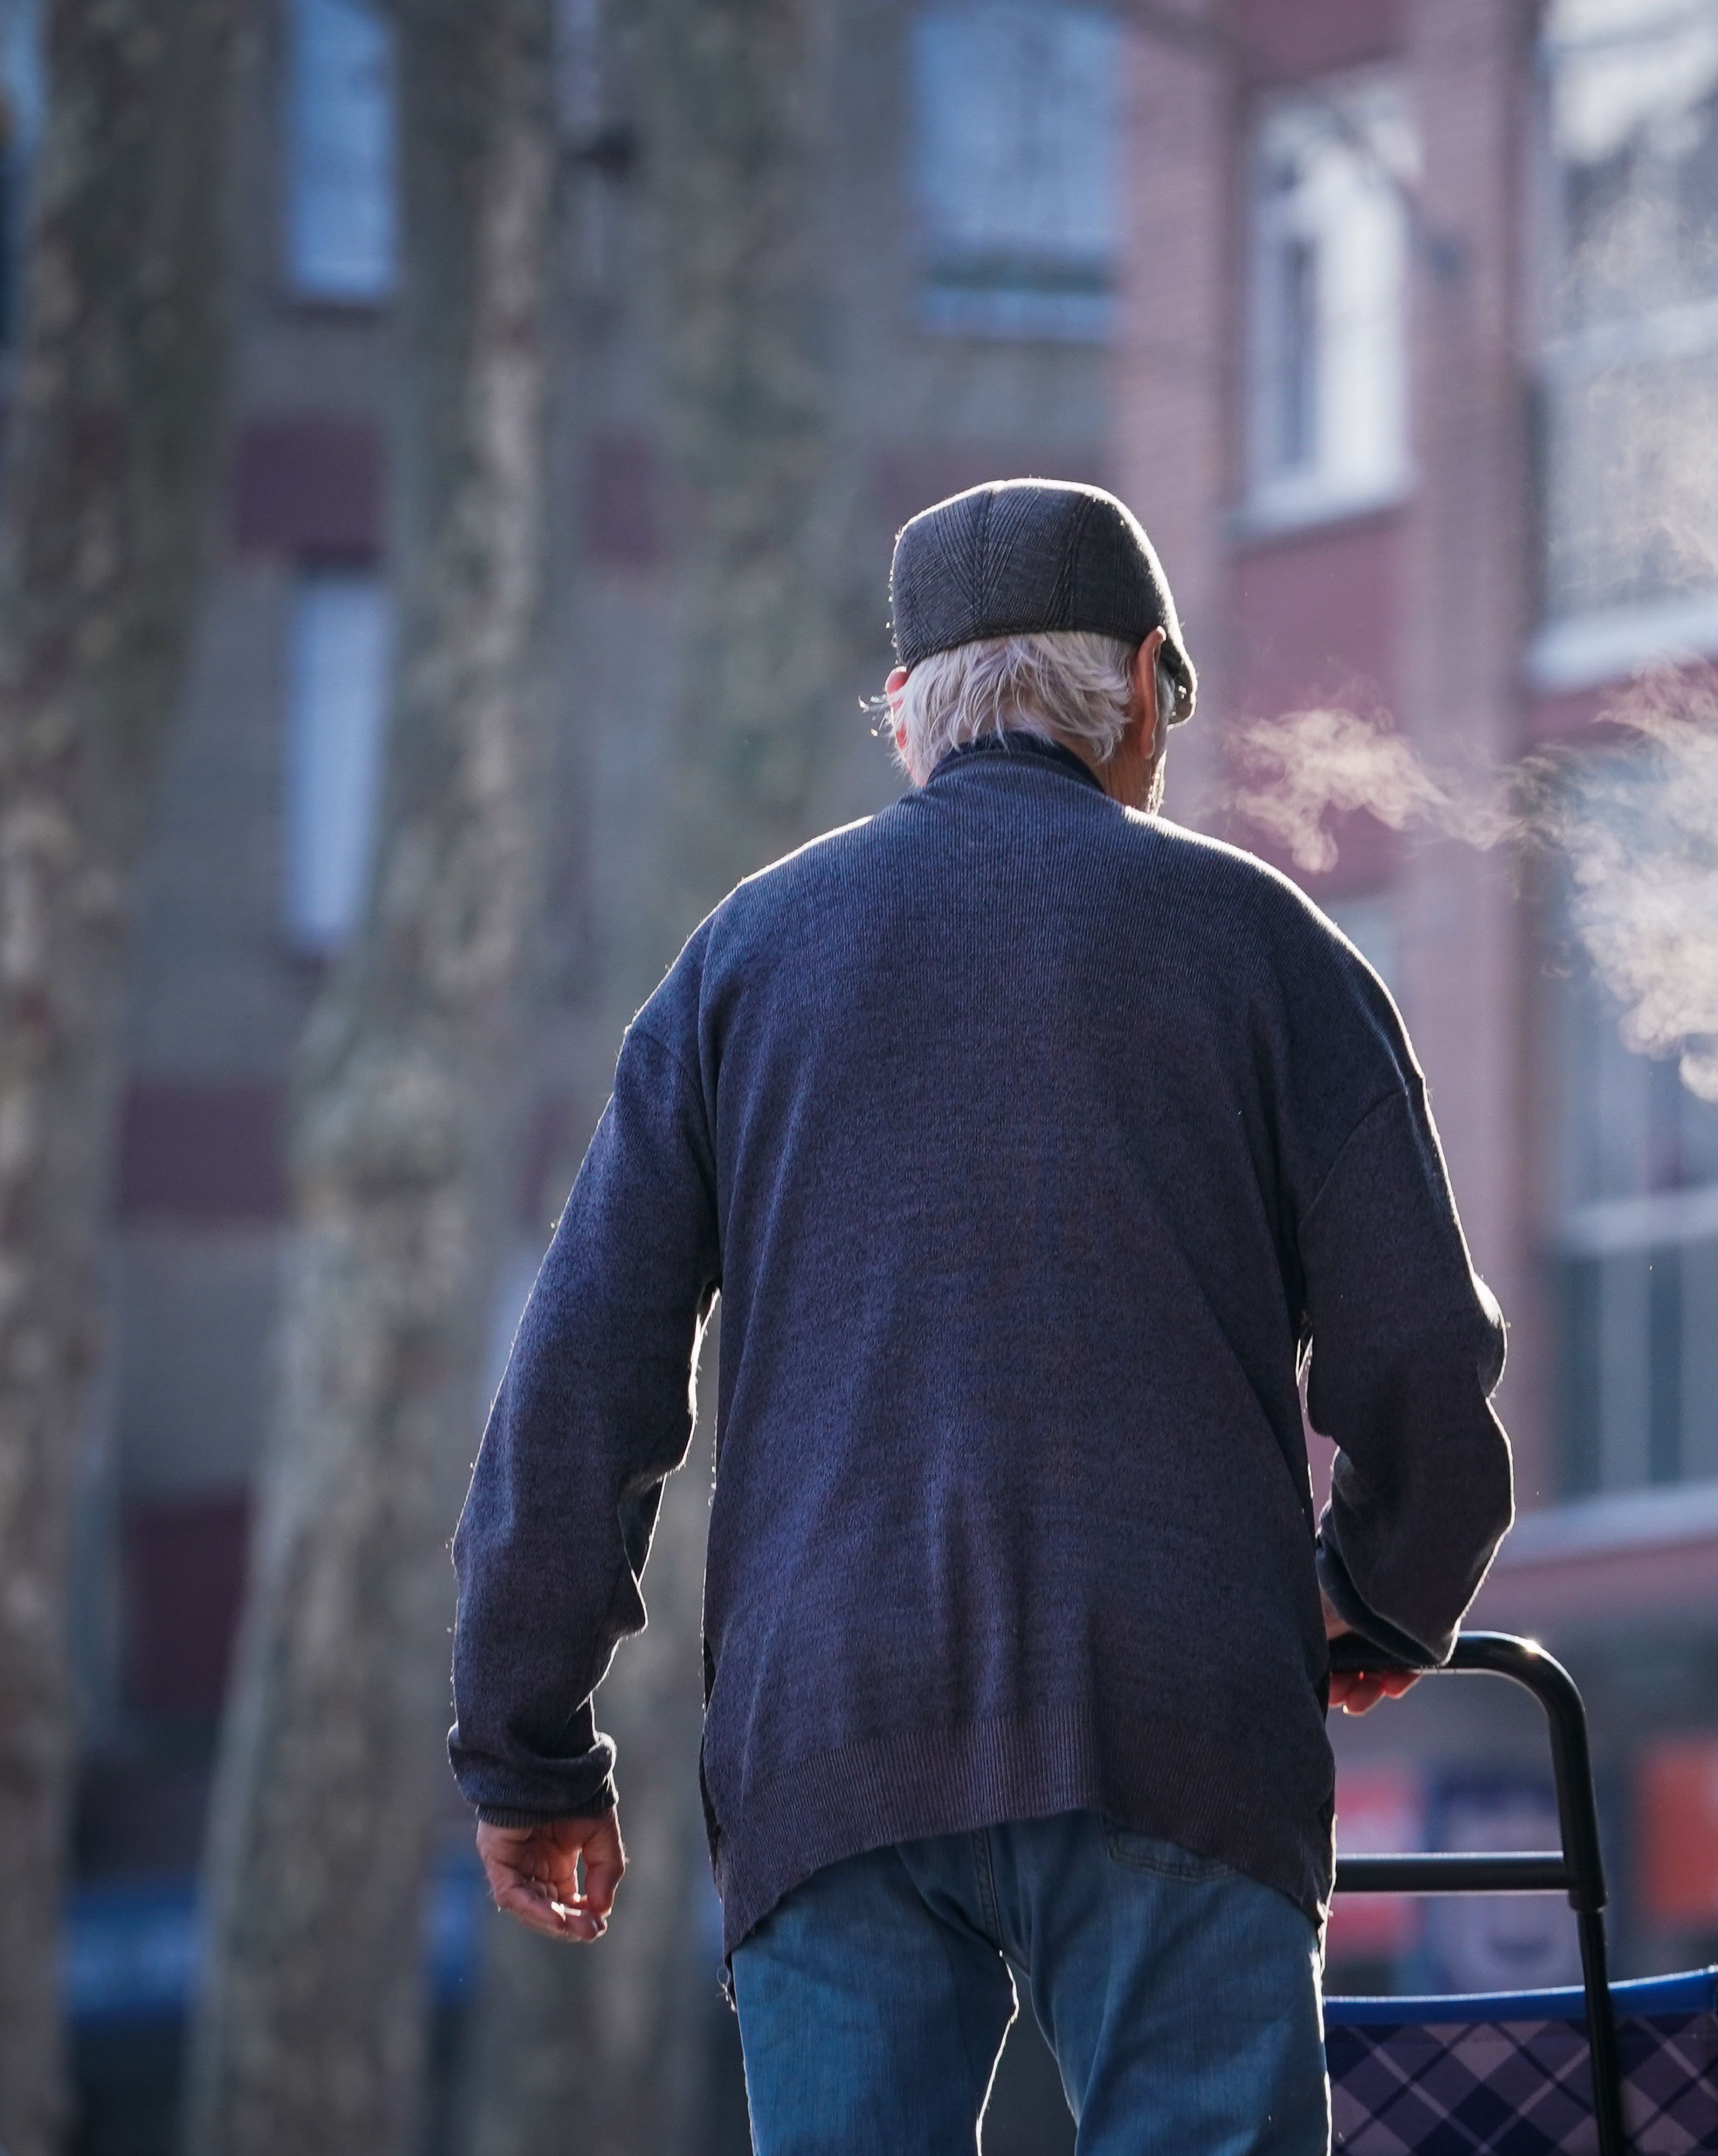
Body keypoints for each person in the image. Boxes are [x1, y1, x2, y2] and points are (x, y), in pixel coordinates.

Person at [449, 479, 1514, 2153]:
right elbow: (1426, 1366)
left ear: (908, 716)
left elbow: (583, 1383)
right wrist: (1378, 1596)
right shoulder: (1266, 947)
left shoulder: (743, 966)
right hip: (1181, 1719)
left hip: (834, 1740)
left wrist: (528, 1747)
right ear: (1149, 680)